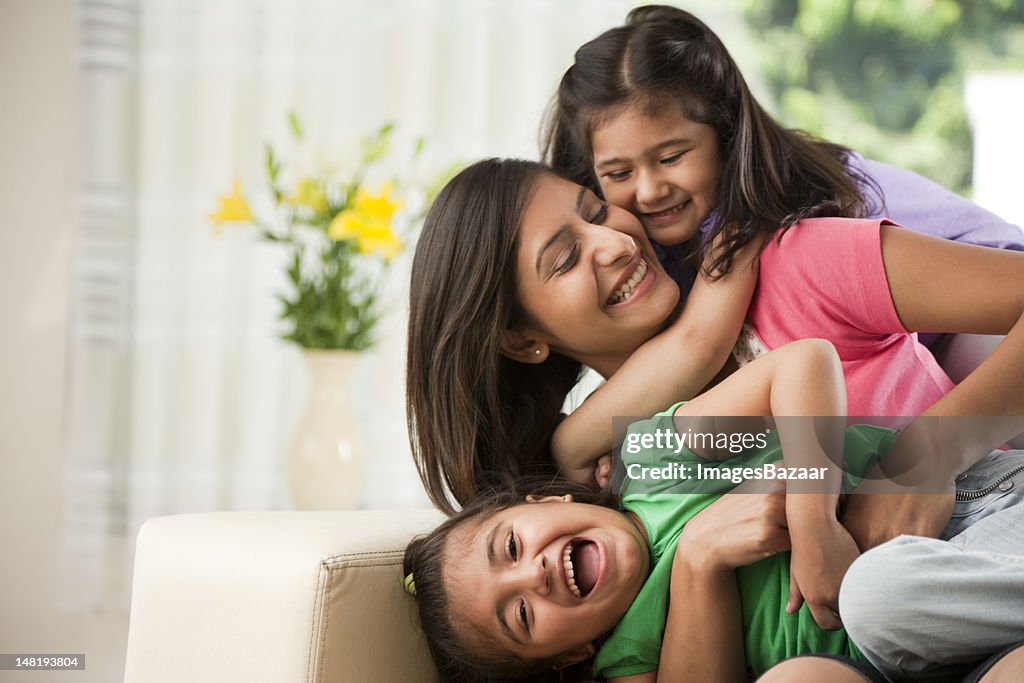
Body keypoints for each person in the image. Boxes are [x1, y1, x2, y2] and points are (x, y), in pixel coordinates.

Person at [406, 158, 1024, 555]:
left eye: (597, 211)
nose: (615, 241)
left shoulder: (793, 265)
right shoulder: (603, 490)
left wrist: (926, 458)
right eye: (565, 259)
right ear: (521, 339)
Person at [401, 337, 1024, 680]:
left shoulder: (658, 464)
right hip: (915, 649)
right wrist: (700, 561)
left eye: (510, 546)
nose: (531, 574)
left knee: (877, 594)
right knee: (873, 606)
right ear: (568, 657)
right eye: (521, 615)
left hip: (971, 509)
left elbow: (803, 364)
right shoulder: (631, 659)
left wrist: (811, 523)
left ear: (546, 499)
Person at [542, 5, 1024, 384]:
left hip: (984, 321)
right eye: (619, 171)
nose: (649, 190)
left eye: (671, 158)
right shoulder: (645, 251)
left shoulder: (789, 215)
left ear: (726, 134)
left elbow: (698, 347)